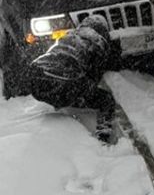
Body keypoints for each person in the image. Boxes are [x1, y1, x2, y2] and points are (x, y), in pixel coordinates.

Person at [28, 14, 121, 143]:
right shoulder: (98, 42)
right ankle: (104, 134)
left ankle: (59, 99)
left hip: (36, 75)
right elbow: (94, 75)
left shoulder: (68, 36)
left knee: (66, 90)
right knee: (105, 100)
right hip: (66, 79)